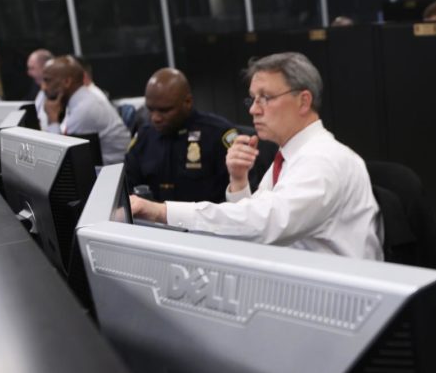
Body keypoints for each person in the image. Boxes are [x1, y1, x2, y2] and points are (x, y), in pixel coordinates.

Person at [130, 52, 383, 261]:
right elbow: (252, 224)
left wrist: (161, 212)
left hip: (335, 297)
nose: (253, 109)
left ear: (303, 101)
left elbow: (263, 225)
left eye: (266, 98)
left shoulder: (323, 160)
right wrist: (239, 180)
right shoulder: (289, 157)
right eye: (252, 99)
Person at [124, 68, 239, 204]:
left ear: (188, 102)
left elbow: (241, 195)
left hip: (206, 216)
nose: (155, 118)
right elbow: (126, 189)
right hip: (151, 217)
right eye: (150, 109)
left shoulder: (218, 134)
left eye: (164, 110)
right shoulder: (144, 136)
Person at [40, 55, 131, 165]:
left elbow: (60, 159)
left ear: (67, 82)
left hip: (113, 171)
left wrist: (52, 119)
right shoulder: (80, 101)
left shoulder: (84, 109)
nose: (43, 87)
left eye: (47, 80)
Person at [26, 48, 53, 125]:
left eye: (32, 68)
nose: (29, 73)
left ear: (45, 67)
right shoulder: (38, 90)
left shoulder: (59, 94)